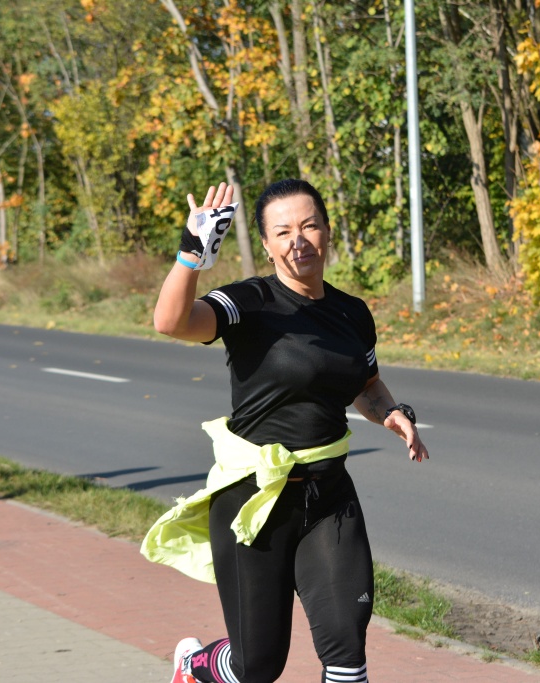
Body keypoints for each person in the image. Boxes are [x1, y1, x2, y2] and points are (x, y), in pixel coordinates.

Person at [143, 179, 428, 683]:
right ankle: (192, 665)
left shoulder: (352, 312)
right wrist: (192, 253)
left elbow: (366, 384)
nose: (298, 240)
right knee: (257, 665)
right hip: (254, 502)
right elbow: (171, 322)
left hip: (329, 497)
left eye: (309, 226)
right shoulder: (249, 302)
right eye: (283, 232)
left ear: (327, 231)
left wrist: (390, 412)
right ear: (268, 245)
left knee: (347, 654)